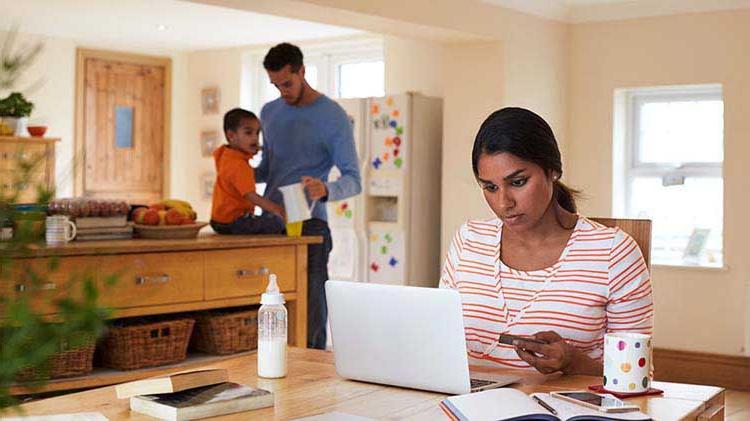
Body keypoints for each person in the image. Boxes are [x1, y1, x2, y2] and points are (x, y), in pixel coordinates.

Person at [440, 107, 653, 375]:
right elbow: (441, 346)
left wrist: (573, 362)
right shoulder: (468, 240)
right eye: (490, 187)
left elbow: (636, 376)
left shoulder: (614, 252)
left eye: (518, 181)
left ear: (552, 170)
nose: (504, 203)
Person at [258, 43, 362, 349]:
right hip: (270, 224)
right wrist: (233, 166)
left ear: (302, 71)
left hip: (310, 226)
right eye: (275, 85)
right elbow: (267, 170)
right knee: (267, 310)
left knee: (310, 315)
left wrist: (326, 188)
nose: (282, 92)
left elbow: (354, 180)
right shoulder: (269, 112)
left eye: (287, 83)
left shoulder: (333, 116)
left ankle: (314, 382)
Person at [210, 108, 285, 235]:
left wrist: (255, 151)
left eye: (257, 133)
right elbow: (251, 196)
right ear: (231, 136)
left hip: (219, 220)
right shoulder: (239, 165)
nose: (255, 138)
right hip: (235, 221)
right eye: (248, 133)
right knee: (277, 223)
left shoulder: (226, 155)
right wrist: (276, 209)